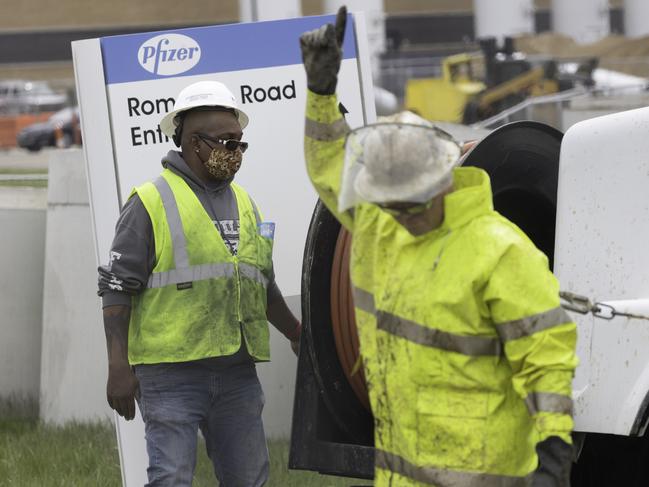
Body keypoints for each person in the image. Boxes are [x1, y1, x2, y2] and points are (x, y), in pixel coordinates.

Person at [299, 7, 578, 487]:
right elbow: (329, 169)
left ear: (442, 181)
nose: (403, 218)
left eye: (410, 205)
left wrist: (554, 449)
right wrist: (322, 96)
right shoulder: (381, 226)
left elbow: (546, 354)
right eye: (390, 205)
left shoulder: (500, 252)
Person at [97, 80, 301, 487]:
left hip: (236, 373)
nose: (236, 153)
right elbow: (117, 286)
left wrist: (297, 332)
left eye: (241, 143)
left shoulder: (244, 201)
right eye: (227, 143)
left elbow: (259, 282)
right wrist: (118, 365)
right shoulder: (150, 200)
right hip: (170, 374)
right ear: (194, 142)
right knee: (171, 478)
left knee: (249, 478)